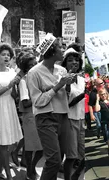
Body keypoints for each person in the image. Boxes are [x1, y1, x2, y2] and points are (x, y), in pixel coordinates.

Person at [26, 36, 75, 180]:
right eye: (60, 47)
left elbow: (67, 95)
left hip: (63, 116)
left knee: (59, 157)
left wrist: (67, 85)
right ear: (52, 52)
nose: (63, 50)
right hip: (46, 117)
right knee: (54, 160)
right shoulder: (34, 73)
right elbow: (38, 101)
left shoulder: (61, 70)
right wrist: (58, 86)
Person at [0, 43, 23, 180]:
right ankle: (7, 173)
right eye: (3, 54)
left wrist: (16, 89)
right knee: (3, 142)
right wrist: (9, 86)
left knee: (12, 141)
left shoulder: (12, 72)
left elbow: (14, 94)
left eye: (8, 55)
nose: (6, 57)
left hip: (10, 107)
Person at [17, 52, 43, 180]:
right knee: (30, 147)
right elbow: (25, 102)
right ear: (25, 67)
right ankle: (29, 171)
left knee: (42, 148)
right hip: (30, 116)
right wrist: (41, 96)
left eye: (35, 64)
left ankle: (31, 168)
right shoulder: (23, 81)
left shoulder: (39, 78)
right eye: (30, 65)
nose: (33, 66)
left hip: (41, 115)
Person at [61, 47, 86, 180]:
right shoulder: (62, 79)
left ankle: (76, 175)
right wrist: (68, 84)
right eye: (70, 60)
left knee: (84, 155)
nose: (74, 62)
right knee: (71, 156)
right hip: (70, 120)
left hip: (82, 119)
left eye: (77, 60)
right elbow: (66, 102)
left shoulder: (82, 80)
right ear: (65, 63)